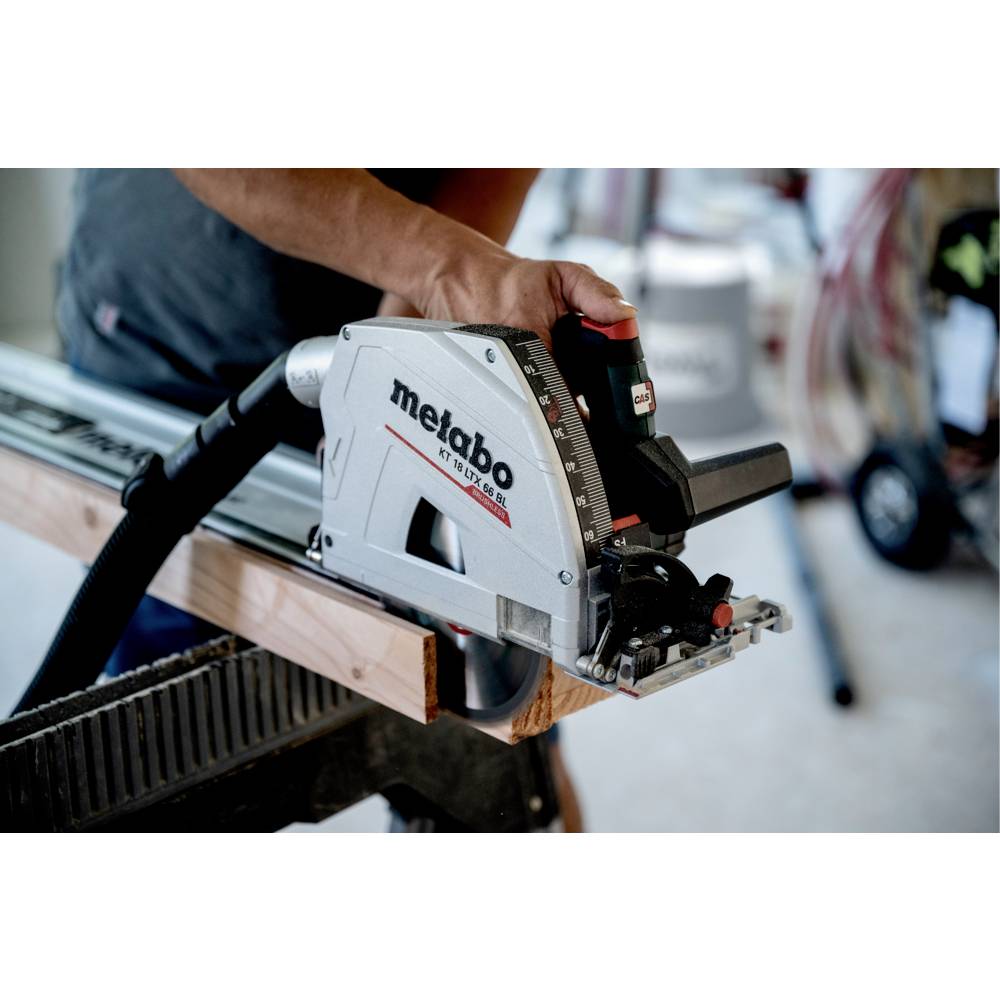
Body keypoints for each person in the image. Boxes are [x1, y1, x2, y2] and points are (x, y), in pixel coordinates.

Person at [58, 169, 634, 829]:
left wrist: (395, 358)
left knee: (502, 785)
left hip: (370, 332)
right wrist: (447, 265)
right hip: (160, 344)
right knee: (170, 768)